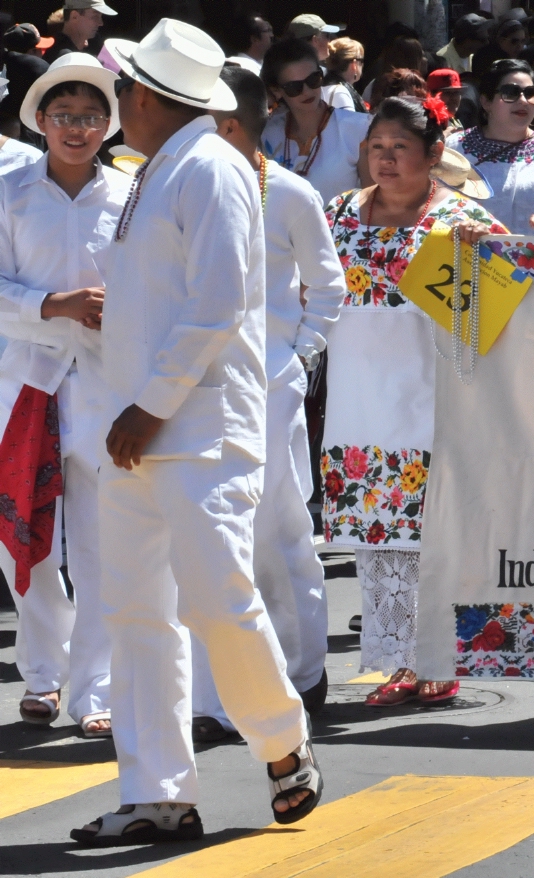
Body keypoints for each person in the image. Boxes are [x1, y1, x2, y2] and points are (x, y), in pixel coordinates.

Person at [74, 18, 321, 846]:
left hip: (199, 429)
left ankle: (283, 743)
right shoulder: (160, 168)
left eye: (119, 89)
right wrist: (133, 408)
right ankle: (157, 792)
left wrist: (149, 404)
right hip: (138, 430)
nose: (113, 102)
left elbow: (217, 305)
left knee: (218, 600)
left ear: (142, 96)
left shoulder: (209, 167)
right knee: (136, 612)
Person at [321, 96, 506, 707]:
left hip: (435, 398)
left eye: (401, 148)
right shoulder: (338, 214)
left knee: (434, 534)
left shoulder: (461, 220)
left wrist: (488, 256)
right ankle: (397, 661)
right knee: (379, 538)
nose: (387, 158)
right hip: (358, 399)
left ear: (434, 156)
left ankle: (440, 656)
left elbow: (501, 315)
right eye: (378, 147)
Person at [188, 65, 344, 742]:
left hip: (270, 386)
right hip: (191, 386)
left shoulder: (290, 194)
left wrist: (297, 357)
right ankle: (213, 698)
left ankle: (304, 674)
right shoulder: (174, 188)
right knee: (204, 542)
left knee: (277, 536)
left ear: (229, 125)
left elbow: (328, 286)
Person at [0, 53, 125, 739]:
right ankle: (41, 675)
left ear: (109, 123)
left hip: (106, 391)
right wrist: (54, 305)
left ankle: (95, 689)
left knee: (106, 545)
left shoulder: (132, 196)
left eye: (90, 116)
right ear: (41, 120)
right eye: (63, 115)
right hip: (25, 386)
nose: (77, 129)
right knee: (27, 542)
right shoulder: (9, 191)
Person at [448, 59, 534, 237]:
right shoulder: (454, 149)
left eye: (531, 93)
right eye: (511, 92)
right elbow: (429, 210)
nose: (523, 100)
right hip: (468, 260)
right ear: (486, 101)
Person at [260, 39, 370, 206]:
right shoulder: (268, 134)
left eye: (313, 80)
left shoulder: (358, 128)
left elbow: (375, 199)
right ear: (277, 90)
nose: (307, 91)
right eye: (294, 87)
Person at [45, 0, 114, 64]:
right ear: (74, 16)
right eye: (95, 16)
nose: (101, 23)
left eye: (100, 17)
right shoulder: (60, 56)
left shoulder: (93, 45)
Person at [323, 37, 365, 112]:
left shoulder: (321, 86)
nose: (362, 65)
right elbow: (350, 123)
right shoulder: (341, 92)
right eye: (361, 61)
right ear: (354, 65)